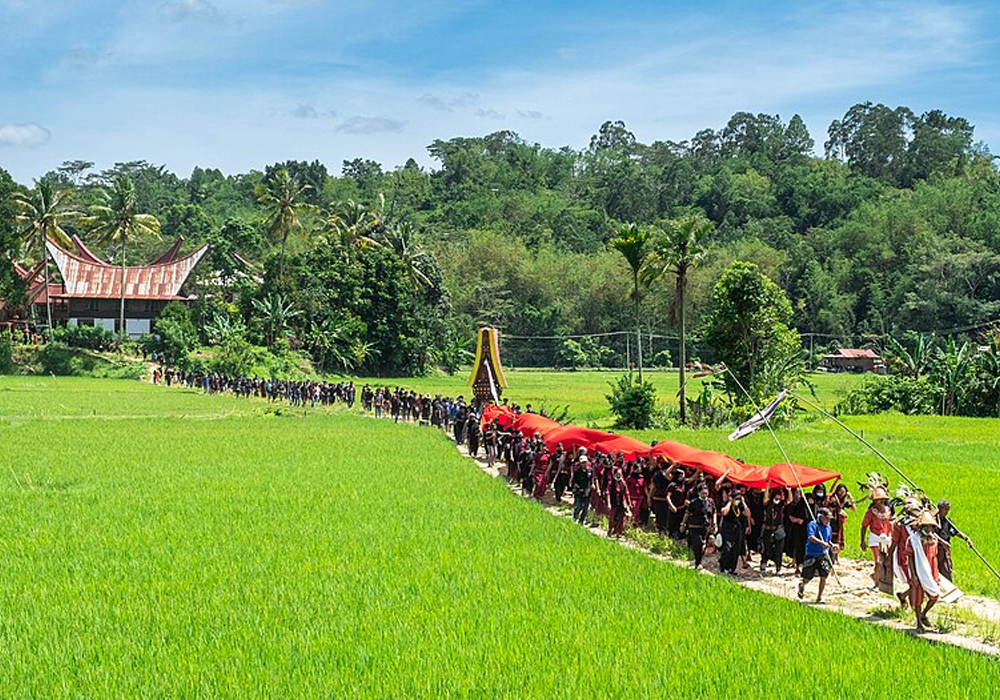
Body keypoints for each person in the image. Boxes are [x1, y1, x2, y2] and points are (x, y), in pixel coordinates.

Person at [901, 510, 942, 632]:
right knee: (918, 599)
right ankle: (918, 622)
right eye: (926, 526)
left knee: (935, 596)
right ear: (921, 527)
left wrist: (936, 573)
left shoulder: (934, 540)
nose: (928, 528)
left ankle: (924, 613)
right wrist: (913, 575)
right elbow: (911, 558)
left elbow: (934, 558)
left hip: (930, 572)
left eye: (930, 526)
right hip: (918, 572)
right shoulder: (913, 540)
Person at [797, 508, 837, 603]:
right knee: (807, 577)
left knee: (824, 576)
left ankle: (819, 597)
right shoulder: (813, 524)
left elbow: (828, 540)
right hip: (812, 553)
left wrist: (832, 545)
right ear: (820, 517)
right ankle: (802, 585)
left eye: (829, 519)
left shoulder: (829, 527)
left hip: (823, 554)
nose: (828, 521)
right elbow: (811, 537)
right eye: (826, 518)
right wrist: (821, 543)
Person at [860, 486, 894, 585]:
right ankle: (877, 583)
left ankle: (877, 576)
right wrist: (862, 541)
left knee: (885, 561)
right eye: (877, 500)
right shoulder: (870, 512)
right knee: (878, 561)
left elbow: (891, 524)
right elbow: (864, 526)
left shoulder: (888, 510)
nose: (879, 502)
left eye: (880, 500)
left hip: (886, 537)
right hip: (875, 537)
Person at [935, 499, 973, 582]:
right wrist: (942, 542)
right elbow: (931, 535)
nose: (947, 512)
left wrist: (966, 538)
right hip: (934, 551)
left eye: (948, 509)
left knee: (947, 571)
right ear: (939, 508)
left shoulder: (948, 521)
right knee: (933, 573)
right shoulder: (932, 520)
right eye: (945, 509)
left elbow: (955, 532)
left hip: (945, 550)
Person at [683, 483, 716, 570]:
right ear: (698, 493)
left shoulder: (710, 502)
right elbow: (687, 513)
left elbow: (714, 512)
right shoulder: (694, 502)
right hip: (694, 526)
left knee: (703, 544)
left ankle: (699, 561)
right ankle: (698, 562)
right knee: (698, 543)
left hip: (705, 526)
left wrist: (714, 522)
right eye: (702, 493)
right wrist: (683, 523)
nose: (704, 495)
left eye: (706, 493)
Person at [718, 486, 749, 575]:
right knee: (727, 548)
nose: (737, 500)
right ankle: (723, 566)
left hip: (737, 528)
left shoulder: (740, 505)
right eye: (736, 498)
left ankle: (732, 569)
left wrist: (743, 502)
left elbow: (747, 514)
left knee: (736, 549)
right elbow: (724, 513)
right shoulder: (726, 503)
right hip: (727, 527)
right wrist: (730, 502)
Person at [760, 489, 786, 575]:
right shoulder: (768, 504)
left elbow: (789, 500)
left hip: (779, 530)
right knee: (766, 548)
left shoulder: (781, 505)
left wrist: (789, 490)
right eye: (776, 496)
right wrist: (767, 486)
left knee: (779, 549)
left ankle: (778, 567)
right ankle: (764, 562)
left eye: (779, 496)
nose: (777, 498)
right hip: (768, 529)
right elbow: (765, 499)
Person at [607, 468, 631, 538]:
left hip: (622, 503)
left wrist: (629, 503)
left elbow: (627, 493)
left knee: (622, 518)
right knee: (613, 518)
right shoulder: (611, 483)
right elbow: (608, 492)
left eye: (620, 474)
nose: (618, 475)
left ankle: (618, 533)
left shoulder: (623, 483)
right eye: (617, 474)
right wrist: (608, 503)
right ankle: (610, 529)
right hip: (614, 502)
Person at [571, 455, 593, 525]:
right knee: (578, 506)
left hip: (587, 491)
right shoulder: (577, 471)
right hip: (579, 491)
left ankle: (581, 521)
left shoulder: (590, 470)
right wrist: (576, 488)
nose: (584, 464)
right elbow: (574, 481)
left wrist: (591, 486)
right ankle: (575, 517)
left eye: (585, 462)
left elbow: (591, 480)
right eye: (582, 462)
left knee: (586, 508)